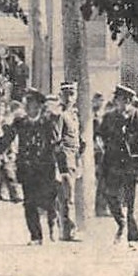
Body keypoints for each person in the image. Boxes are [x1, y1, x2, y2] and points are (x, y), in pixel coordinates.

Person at [0, 88, 66, 245]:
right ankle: (36, 236)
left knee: (49, 201)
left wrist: (62, 169)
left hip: (46, 168)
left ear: (38, 105)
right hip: (27, 169)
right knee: (29, 203)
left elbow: (55, 145)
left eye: (30, 103)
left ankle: (52, 224)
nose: (27, 106)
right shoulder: (20, 122)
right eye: (27, 102)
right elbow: (6, 140)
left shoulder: (48, 122)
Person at [96, 85, 138, 244]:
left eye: (125, 100)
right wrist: (101, 146)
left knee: (132, 204)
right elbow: (100, 135)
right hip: (112, 164)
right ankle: (121, 223)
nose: (122, 103)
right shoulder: (109, 117)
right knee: (110, 195)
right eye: (119, 100)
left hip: (132, 166)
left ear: (130, 101)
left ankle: (132, 237)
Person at [52, 81, 83, 241]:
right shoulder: (60, 115)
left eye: (72, 94)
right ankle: (67, 231)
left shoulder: (73, 115)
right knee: (67, 196)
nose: (69, 98)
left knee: (69, 196)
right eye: (66, 95)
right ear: (60, 97)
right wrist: (61, 165)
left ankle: (66, 229)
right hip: (65, 159)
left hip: (74, 158)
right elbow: (56, 141)